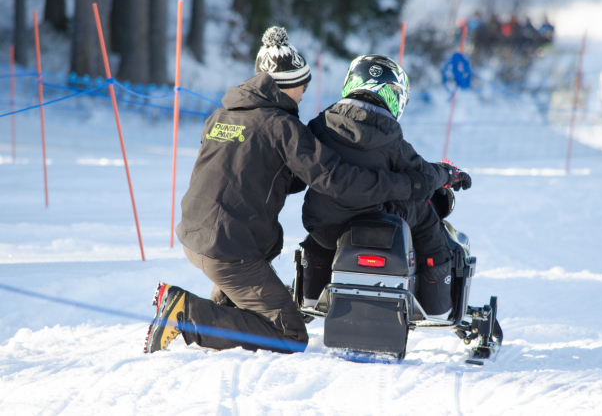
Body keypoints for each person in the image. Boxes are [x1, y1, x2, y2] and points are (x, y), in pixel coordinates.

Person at [144, 28, 451, 355]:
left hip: (197, 234)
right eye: (303, 86)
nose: (304, 94)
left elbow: (256, 174)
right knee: (289, 334)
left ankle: (221, 310)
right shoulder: (281, 126)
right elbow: (337, 179)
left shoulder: (222, 116)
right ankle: (187, 313)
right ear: (286, 85)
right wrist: (411, 184)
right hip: (231, 249)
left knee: (251, 290)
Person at [300, 55, 472, 319]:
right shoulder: (390, 133)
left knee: (325, 213)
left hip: (323, 226)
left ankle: (311, 295)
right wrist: (448, 173)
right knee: (426, 215)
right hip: (372, 223)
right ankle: (437, 306)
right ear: (394, 95)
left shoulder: (320, 124)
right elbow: (422, 175)